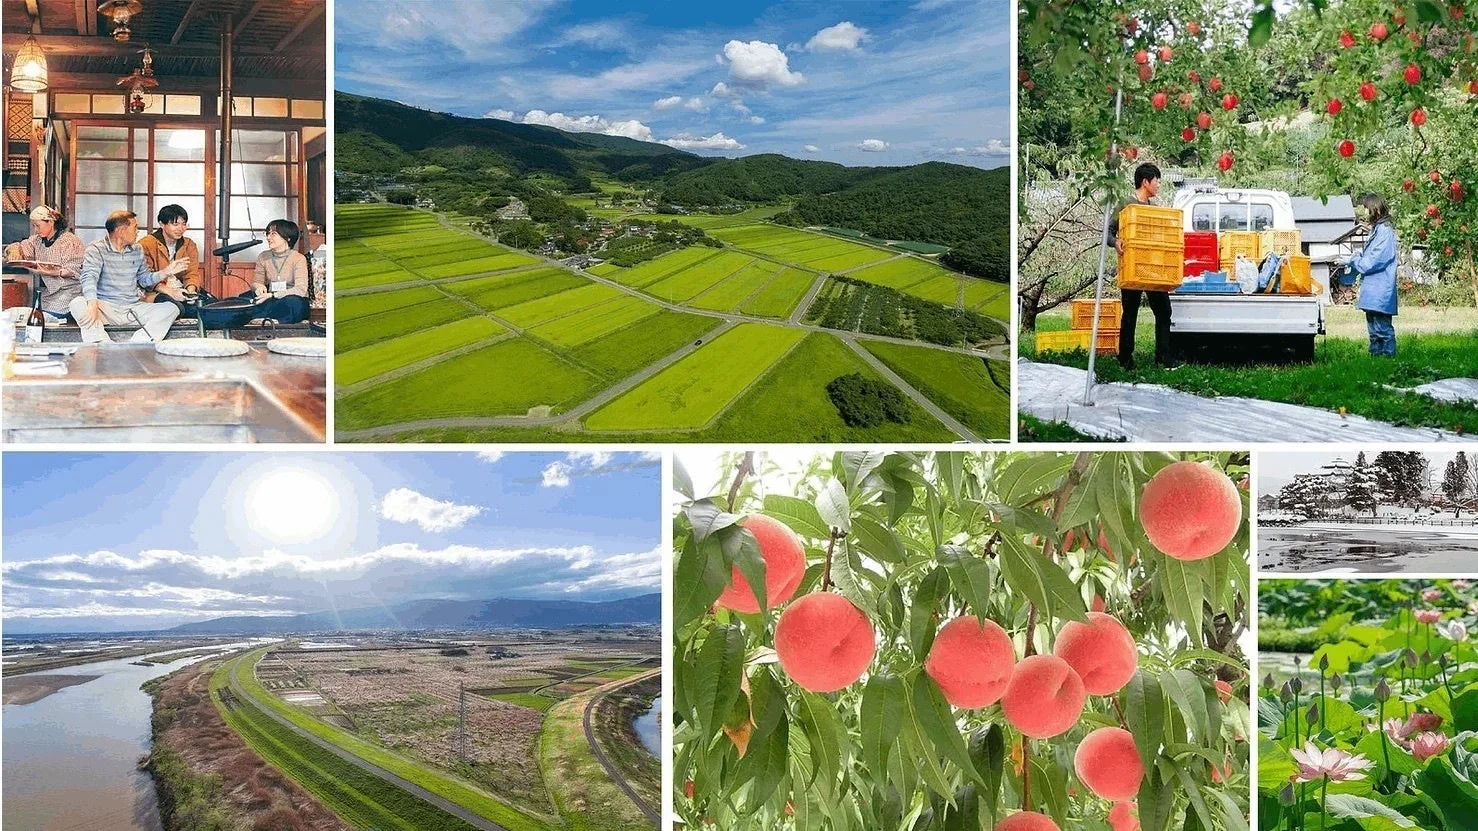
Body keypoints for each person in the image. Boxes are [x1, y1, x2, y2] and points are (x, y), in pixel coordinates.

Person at [68, 210, 186, 344]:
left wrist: (166, 272)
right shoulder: (96, 248)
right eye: (135, 227)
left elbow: (144, 279)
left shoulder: (137, 249)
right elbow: (89, 277)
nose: (138, 232)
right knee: (77, 303)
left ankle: (137, 343)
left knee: (171, 308)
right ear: (121, 231)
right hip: (106, 309)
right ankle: (101, 343)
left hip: (133, 308)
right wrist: (92, 303)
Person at [1108, 162, 1179, 370]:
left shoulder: (1155, 210)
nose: (1158, 185)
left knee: (1164, 311)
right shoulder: (1126, 205)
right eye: (1156, 181)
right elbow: (1108, 231)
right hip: (1132, 266)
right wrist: (1116, 242)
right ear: (1146, 182)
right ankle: (1125, 358)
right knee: (1130, 313)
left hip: (1152, 269)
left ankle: (1163, 358)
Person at [1338, 193, 1399, 357]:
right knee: (1374, 329)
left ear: (1374, 208)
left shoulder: (1384, 231)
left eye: (1366, 208)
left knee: (1382, 330)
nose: (1364, 212)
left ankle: (1387, 363)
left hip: (1380, 288)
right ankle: (1376, 363)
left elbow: (1372, 262)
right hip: (1375, 288)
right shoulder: (1378, 229)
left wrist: (1353, 259)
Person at [4, 205, 85, 323]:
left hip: (69, 294)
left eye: (38, 225)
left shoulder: (69, 241)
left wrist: (49, 271)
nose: (36, 229)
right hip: (49, 295)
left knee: (47, 320)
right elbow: (19, 246)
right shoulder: (37, 240)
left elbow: (75, 270)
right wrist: (14, 251)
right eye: (34, 226)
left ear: (51, 222)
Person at [139, 204, 203, 316]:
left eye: (184, 224)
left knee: (210, 306)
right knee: (179, 309)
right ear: (161, 224)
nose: (181, 228)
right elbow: (146, 279)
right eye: (175, 224)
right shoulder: (146, 244)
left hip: (182, 289)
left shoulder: (189, 244)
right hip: (158, 291)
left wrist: (191, 291)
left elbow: (192, 273)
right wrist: (171, 292)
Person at [249, 219, 310, 324]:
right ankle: (267, 317)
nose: (268, 237)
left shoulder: (298, 258)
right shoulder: (263, 256)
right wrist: (259, 287)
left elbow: (301, 289)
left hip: (291, 299)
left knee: (292, 303)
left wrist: (273, 295)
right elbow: (256, 282)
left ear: (287, 238)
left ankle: (270, 318)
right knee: (244, 298)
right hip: (270, 298)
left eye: (273, 234)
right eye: (267, 234)